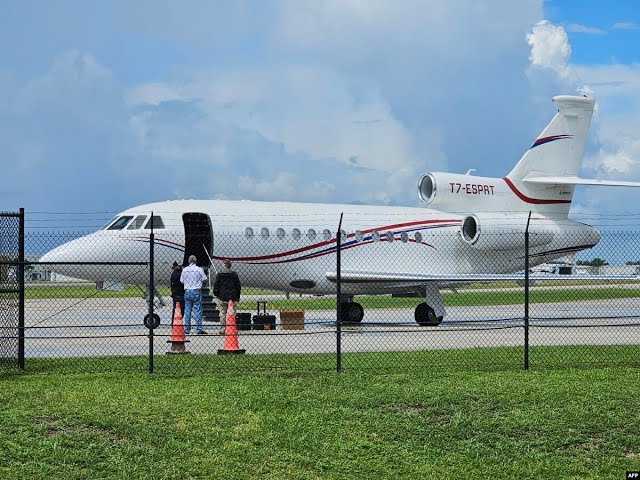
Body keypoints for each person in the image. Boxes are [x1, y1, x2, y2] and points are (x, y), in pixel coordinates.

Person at [180, 255, 208, 335]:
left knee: (187, 310)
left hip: (188, 291)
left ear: (189, 261)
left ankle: (187, 329)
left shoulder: (185, 270)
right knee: (197, 310)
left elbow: (181, 281)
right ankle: (198, 329)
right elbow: (205, 279)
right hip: (196, 290)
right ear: (196, 261)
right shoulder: (199, 269)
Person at [213, 259, 242, 333]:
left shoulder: (220, 274)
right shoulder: (234, 274)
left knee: (223, 313)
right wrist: (237, 296)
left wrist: (216, 294)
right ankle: (232, 328)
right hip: (233, 297)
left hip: (222, 297)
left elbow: (216, 286)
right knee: (232, 313)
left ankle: (223, 329)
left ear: (224, 265)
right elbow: (238, 286)